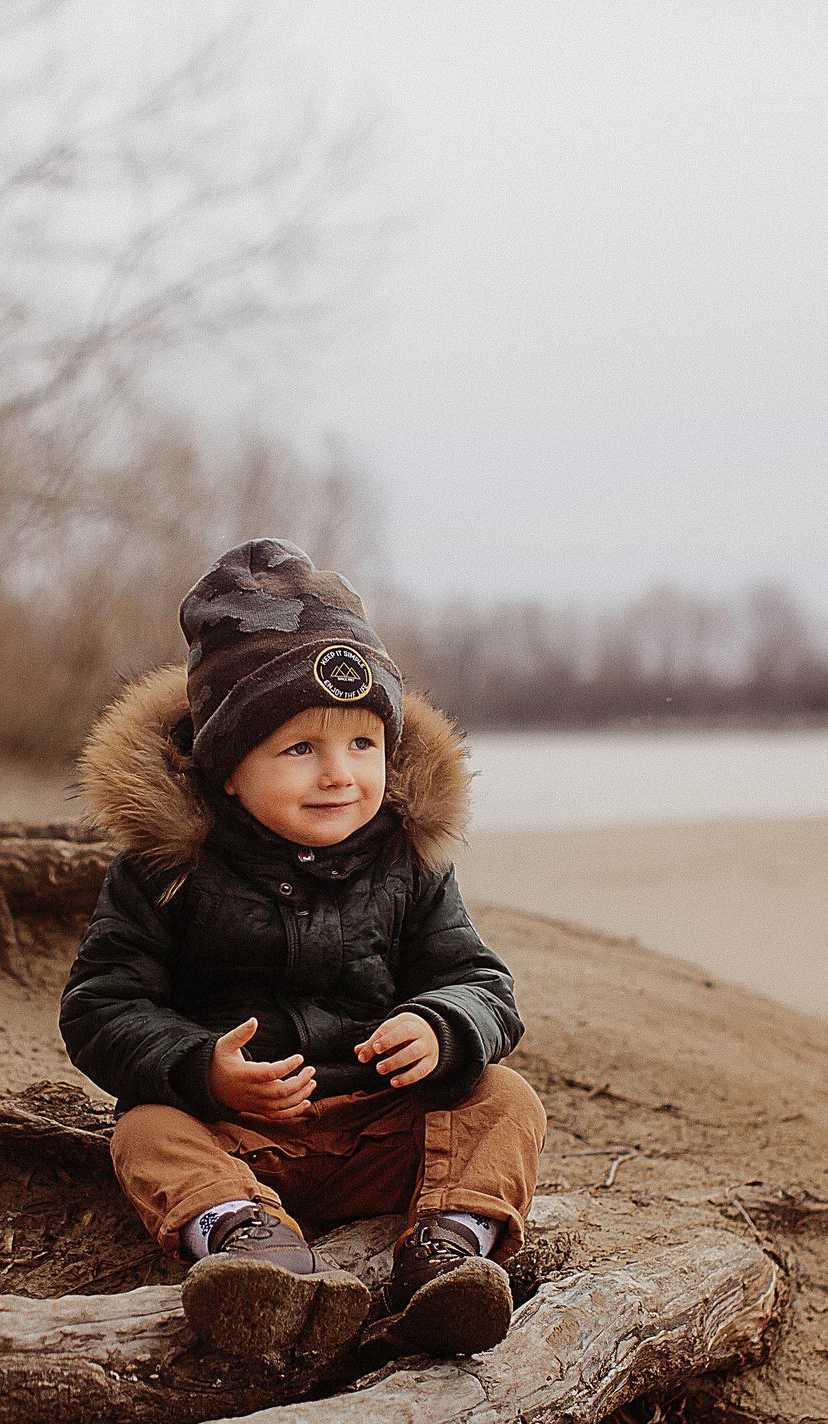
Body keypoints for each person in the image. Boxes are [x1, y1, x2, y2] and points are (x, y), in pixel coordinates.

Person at [59, 538, 543, 1361]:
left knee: (506, 1098)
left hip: (380, 1131)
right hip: (239, 1133)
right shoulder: (168, 872)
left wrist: (439, 1025)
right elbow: (101, 1007)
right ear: (225, 770)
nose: (339, 775)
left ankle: (448, 1246)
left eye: (363, 746)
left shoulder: (407, 862)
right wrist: (200, 1066)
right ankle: (247, 1239)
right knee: (144, 1130)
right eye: (299, 749)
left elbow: (481, 983)